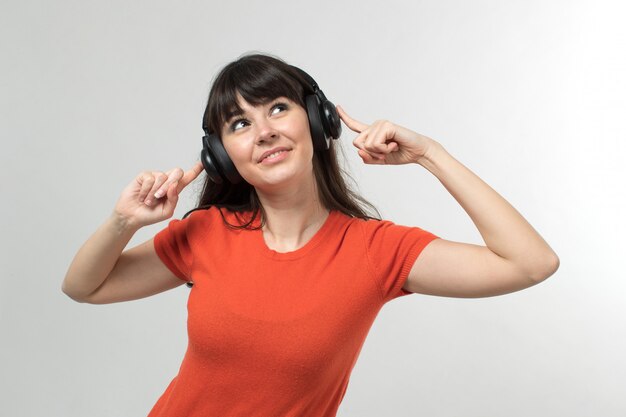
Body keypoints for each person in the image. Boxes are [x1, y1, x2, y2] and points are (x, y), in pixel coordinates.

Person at [62, 52, 559, 416]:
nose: (263, 132)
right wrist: (123, 221)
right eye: (239, 123)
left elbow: (530, 263)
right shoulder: (207, 232)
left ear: (318, 120)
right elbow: (83, 286)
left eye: (278, 108)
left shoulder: (376, 251)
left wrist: (431, 155)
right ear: (222, 155)